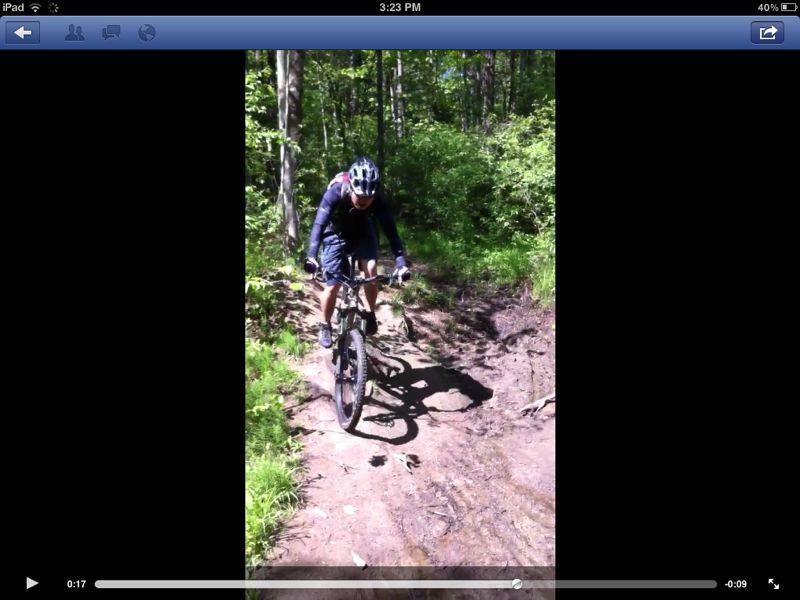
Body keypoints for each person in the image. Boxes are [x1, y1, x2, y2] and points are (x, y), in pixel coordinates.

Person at [303, 157, 409, 348]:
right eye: (359, 197)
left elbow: (391, 233)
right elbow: (318, 224)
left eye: (368, 198)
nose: (363, 201)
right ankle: (325, 325)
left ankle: (369, 313)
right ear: (351, 187)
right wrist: (311, 256)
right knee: (333, 285)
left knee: (371, 269)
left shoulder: (378, 201)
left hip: (363, 230)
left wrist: (401, 263)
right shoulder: (335, 192)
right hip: (335, 231)